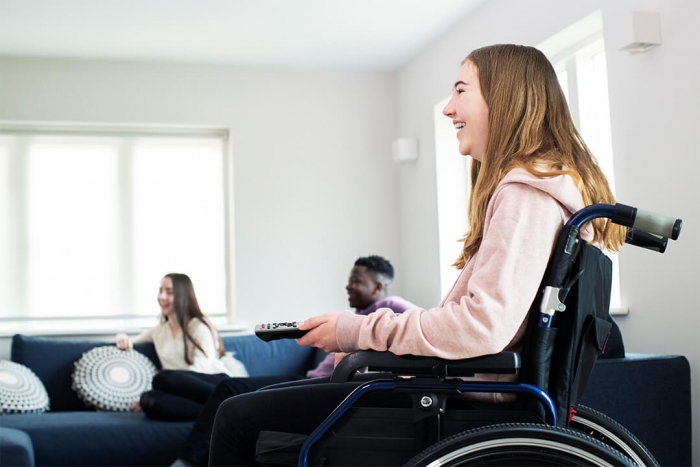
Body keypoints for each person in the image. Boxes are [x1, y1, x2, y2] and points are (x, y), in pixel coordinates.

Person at [207, 43, 627, 466]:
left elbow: (481, 326)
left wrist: (355, 331)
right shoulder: (538, 195)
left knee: (237, 416)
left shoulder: (526, 197)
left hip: (459, 404)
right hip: (463, 392)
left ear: (504, 99)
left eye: (461, 91)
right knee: (263, 399)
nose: (448, 108)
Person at [171, 255, 417, 466]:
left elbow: (417, 325)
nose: (348, 286)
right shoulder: (361, 313)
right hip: (311, 379)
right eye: (349, 280)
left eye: (356, 281)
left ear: (378, 287)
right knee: (184, 395)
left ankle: (188, 459)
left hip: (329, 383)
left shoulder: (394, 306)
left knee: (228, 393)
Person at [115, 272, 245, 419]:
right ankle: (217, 412)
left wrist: (171, 385)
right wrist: (121, 336)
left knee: (162, 379)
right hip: (185, 394)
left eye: (169, 292)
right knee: (149, 400)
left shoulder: (199, 326)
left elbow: (202, 368)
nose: (161, 297)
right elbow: (131, 341)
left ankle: (228, 402)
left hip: (211, 384)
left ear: (184, 295)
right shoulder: (159, 331)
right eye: (160, 291)